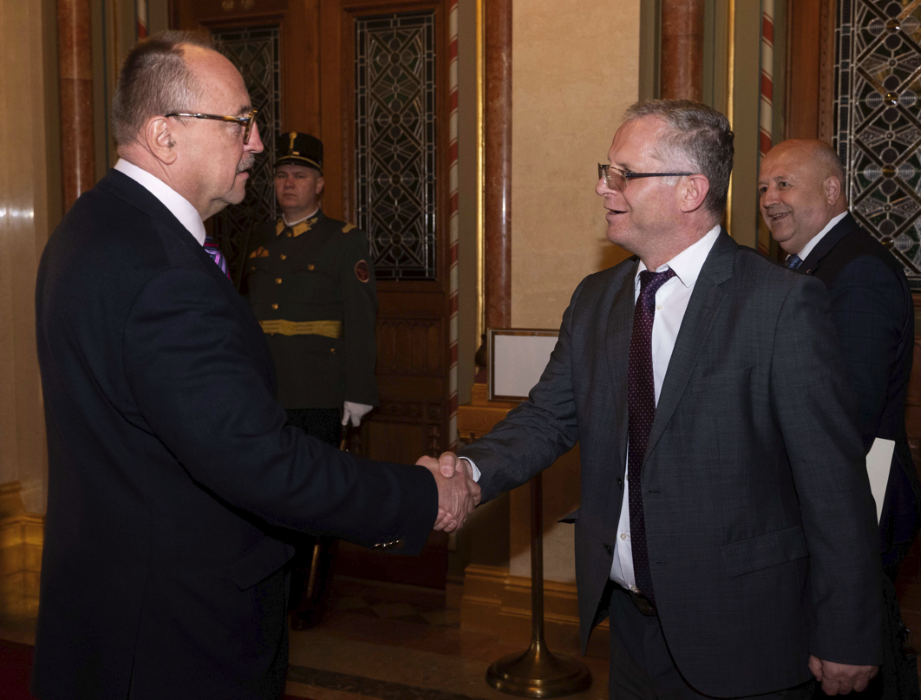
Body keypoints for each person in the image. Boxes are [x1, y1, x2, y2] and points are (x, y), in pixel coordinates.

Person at [32, 31, 478, 700]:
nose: (259, 144)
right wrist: (421, 497)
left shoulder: (93, 226)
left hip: (112, 599)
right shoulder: (162, 272)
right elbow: (258, 462)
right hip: (174, 632)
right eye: (240, 122)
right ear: (165, 134)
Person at [423, 100, 882, 699]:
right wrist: (470, 471)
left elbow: (832, 480)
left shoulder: (780, 304)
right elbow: (547, 417)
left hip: (744, 633)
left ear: (691, 190)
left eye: (624, 173)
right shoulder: (597, 298)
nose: (603, 186)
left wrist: (848, 628)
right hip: (631, 630)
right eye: (606, 170)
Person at [760, 140, 921, 699]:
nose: (769, 198)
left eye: (784, 183)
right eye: (763, 187)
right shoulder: (804, 268)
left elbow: (847, 416)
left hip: (854, 506)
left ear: (832, 190)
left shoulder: (857, 272)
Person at [242, 132, 379, 628]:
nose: (289, 183)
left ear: (319, 184)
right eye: (281, 175)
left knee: (313, 497)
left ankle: (308, 596)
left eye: (300, 176)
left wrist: (358, 392)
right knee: (266, 495)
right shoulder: (258, 238)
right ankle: (273, 588)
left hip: (319, 392)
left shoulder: (344, 240)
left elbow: (361, 320)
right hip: (264, 393)